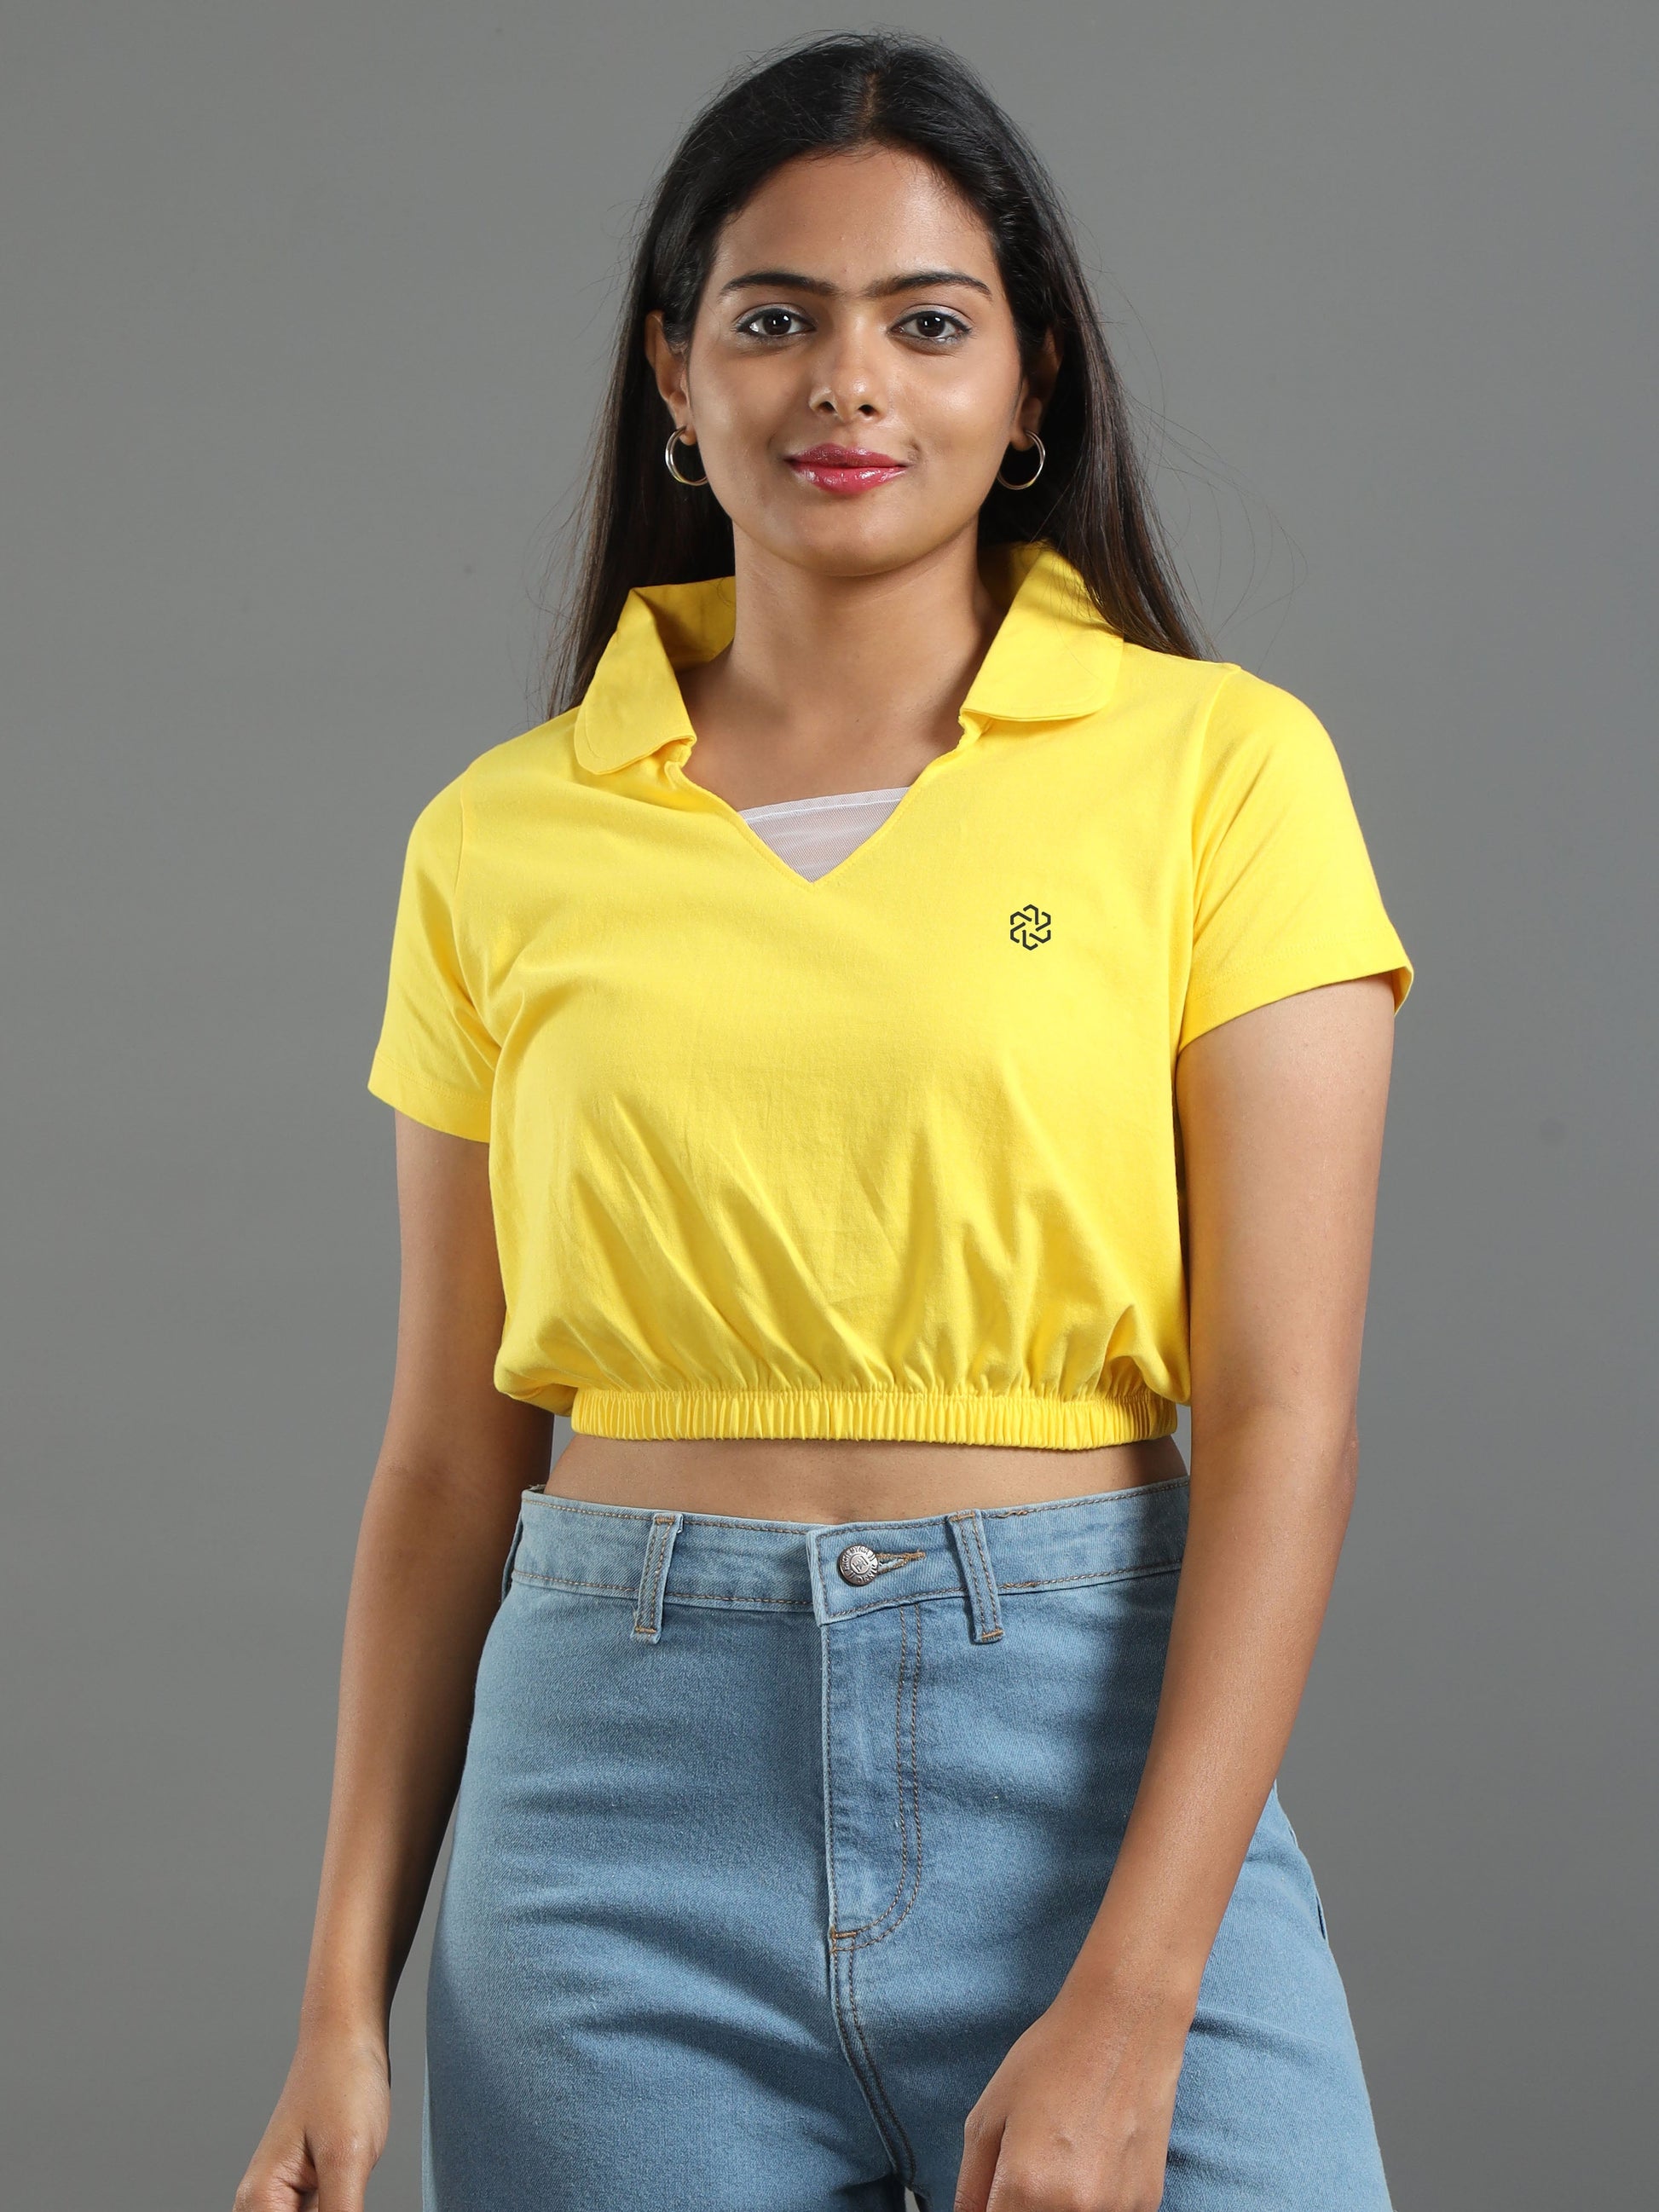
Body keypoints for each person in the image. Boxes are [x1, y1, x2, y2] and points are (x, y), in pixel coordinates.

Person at [235, 30, 1414, 2212]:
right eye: (774, 319)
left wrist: (1137, 1990)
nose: (846, 382)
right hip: (607, 1827)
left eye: (926, 323)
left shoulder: (1220, 770)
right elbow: (444, 1463)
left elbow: (1285, 1416)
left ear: (1030, 381)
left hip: (1092, 1767)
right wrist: (335, 1998)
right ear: (674, 379)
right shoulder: (499, 835)